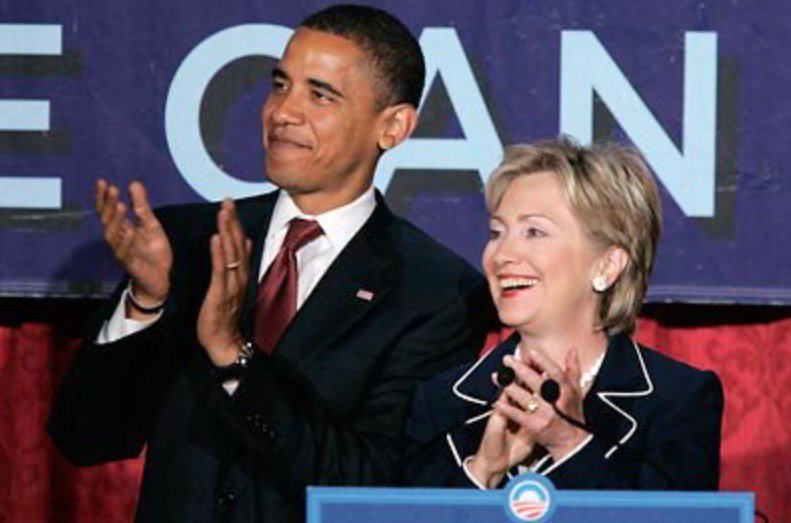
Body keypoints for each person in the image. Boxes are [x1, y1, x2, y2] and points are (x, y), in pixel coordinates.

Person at [48, 5, 494, 521]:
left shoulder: (435, 292)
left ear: (393, 126)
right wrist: (145, 303)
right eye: (280, 85)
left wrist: (234, 358)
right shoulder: (188, 243)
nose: (283, 112)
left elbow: (372, 484)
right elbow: (86, 437)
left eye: (320, 95)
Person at [405, 138, 723, 491]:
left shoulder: (676, 400)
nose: (501, 255)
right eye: (497, 233)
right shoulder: (442, 401)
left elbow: (671, 515)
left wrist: (570, 445)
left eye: (534, 232)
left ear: (607, 265)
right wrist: (482, 473)